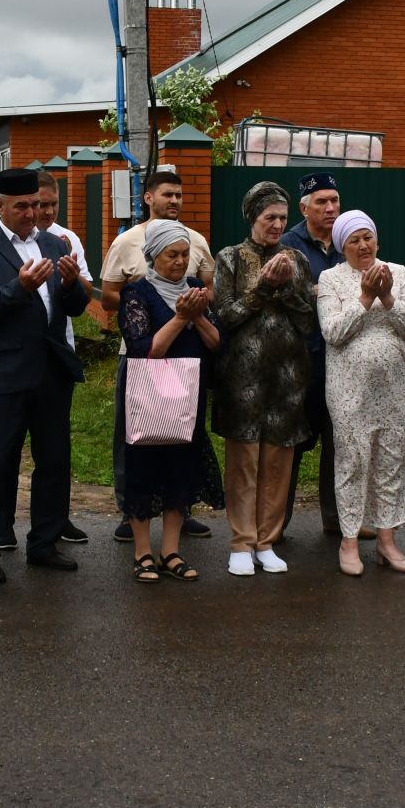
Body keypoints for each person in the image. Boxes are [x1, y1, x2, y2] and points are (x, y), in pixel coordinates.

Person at [0, 167, 89, 583]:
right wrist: (19, 288)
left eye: (36, 204)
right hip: (2, 373)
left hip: (50, 372)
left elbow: (73, 308)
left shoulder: (53, 243)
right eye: (22, 206)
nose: (32, 213)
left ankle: (45, 544)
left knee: (54, 460)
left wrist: (71, 286)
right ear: (0, 206)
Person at [97, 169, 213, 543]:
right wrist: (144, 300)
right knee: (135, 433)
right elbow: (108, 293)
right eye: (167, 195)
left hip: (186, 358)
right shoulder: (128, 242)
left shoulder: (195, 241)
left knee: (183, 430)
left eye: (179, 195)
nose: (174, 201)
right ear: (148, 198)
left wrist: (189, 305)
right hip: (140, 351)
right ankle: (130, 510)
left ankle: (180, 507)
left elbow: (206, 290)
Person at [211, 181, 315, 577]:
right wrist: (263, 286)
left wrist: (286, 287)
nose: (277, 225)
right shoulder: (230, 258)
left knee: (278, 461)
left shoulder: (297, 260)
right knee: (244, 462)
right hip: (242, 376)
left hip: (288, 377)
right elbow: (227, 316)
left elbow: (308, 321)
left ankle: (267, 541)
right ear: (252, 217)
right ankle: (241, 541)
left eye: (282, 218)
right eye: (269, 217)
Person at [319, 210, 405, 575]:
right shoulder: (330, 278)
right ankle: (349, 540)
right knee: (352, 458)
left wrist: (389, 298)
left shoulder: (397, 273)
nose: (363, 245)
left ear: (377, 240)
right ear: (341, 245)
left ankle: (386, 540)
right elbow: (333, 332)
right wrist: (366, 298)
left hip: (397, 385)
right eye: (354, 240)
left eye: (368, 237)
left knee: (391, 459)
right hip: (350, 386)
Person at [116, 220, 223, 583]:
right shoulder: (137, 293)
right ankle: (143, 552)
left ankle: (171, 551)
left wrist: (198, 317)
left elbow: (216, 343)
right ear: (152, 257)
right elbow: (147, 349)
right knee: (144, 468)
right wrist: (181, 318)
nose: (180, 262)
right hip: (150, 396)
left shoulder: (195, 288)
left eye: (184, 255)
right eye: (171, 255)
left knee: (181, 468)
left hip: (187, 394)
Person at [279, 170, 343, 539]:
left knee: (338, 443)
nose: (330, 208)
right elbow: (293, 294)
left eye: (334, 200)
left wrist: (325, 290)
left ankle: (337, 519)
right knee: (293, 443)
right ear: (305, 207)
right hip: (301, 361)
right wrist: (320, 291)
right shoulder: (289, 243)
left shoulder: (347, 240)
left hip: (340, 360)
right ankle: (277, 521)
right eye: (322, 202)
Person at [35, 169, 94, 547]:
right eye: (40, 204)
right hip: (19, 358)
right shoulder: (8, 241)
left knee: (56, 446)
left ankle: (58, 519)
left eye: (53, 204)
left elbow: (85, 296)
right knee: (8, 448)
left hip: (58, 354)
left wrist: (72, 277)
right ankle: (4, 524)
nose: (46, 211)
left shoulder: (67, 239)